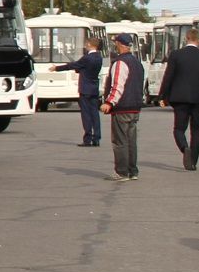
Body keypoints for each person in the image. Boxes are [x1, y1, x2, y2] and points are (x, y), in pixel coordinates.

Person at [159, 29, 199, 170]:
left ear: (186, 38)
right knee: (196, 129)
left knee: (179, 128)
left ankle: (185, 148)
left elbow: (168, 76)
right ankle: (193, 161)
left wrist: (163, 96)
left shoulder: (176, 55)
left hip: (179, 97)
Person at [100, 32, 146, 181]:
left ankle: (121, 172)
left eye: (116, 43)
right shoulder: (137, 63)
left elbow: (117, 85)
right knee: (131, 141)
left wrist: (109, 102)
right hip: (135, 106)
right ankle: (133, 171)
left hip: (123, 107)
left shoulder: (120, 63)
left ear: (119, 44)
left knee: (120, 141)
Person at [55, 36, 104, 146]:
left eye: (87, 44)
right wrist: (80, 69)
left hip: (85, 88)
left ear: (90, 45)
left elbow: (73, 65)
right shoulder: (99, 57)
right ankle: (96, 138)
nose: (85, 46)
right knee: (95, 114)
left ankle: (87, 138)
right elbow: (84, 68)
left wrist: (57, 68)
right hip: (94, 88)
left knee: (86, 114)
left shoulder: (87, 58)